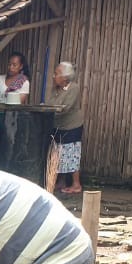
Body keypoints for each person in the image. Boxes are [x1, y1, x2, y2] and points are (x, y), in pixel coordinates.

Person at [47, 61, 84, 194]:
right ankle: (61, 182)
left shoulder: (74, 88)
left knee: (72, 154)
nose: (53, 76)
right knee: (59, 154)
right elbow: (51, 103)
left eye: (56, 74)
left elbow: (65, 107)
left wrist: (55, 106)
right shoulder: (56, 88)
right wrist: (55, 106)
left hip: (72, 125)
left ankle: (76, 184)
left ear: (65, 77)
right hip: (59, 125)